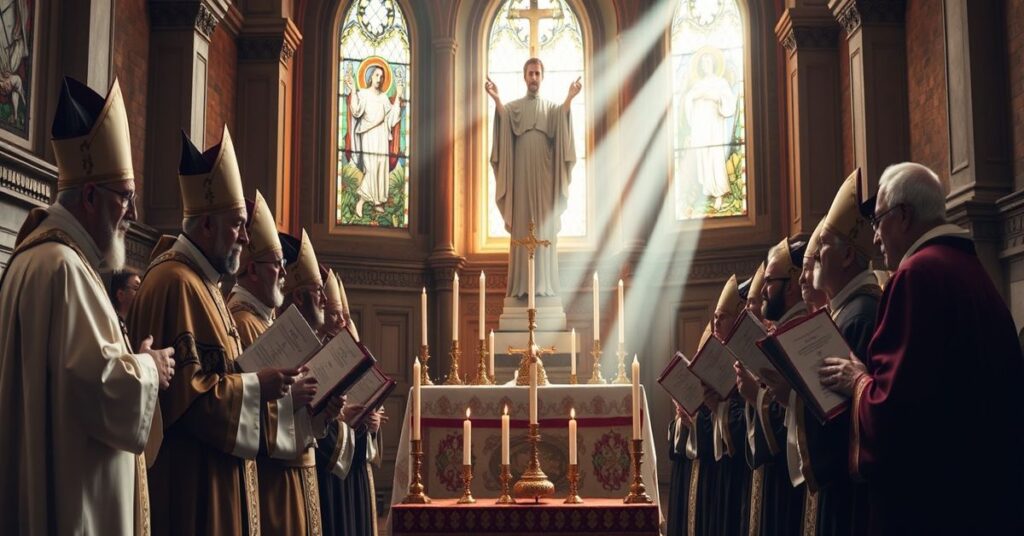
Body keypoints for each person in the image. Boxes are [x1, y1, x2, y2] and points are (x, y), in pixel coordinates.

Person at [0, 76, 174, 536]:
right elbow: (99, 388)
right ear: (92, 196)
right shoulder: (64, 270)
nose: (132, 214)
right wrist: (151, 366)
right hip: (72, 501)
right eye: (125, 198)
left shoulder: (35, 260)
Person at [820, 162, 1024, 534]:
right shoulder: (969, 268)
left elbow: (894, 412)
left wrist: (857, 381)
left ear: (903, 216)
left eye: (878, 221)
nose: (875, 238)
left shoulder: (916, 276)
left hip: (935, 505)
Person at [127, 126, 300, 536]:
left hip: (215, 482)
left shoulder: (202, 284)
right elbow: (190, 401)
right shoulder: (176, 283)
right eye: (237, 224)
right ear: (206, 225)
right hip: (193, 491)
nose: (244, 236)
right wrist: (258, 386)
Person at [227, 194, 335, 536]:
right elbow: (238, 407)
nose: (284, 274)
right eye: (276, 264)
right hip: (271, 475)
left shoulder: (266, 323)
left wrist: (320, 408)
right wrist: (294, 399)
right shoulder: (243, 322)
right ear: (252, 269)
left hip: (294, 466)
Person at [795, 169, 880, 535]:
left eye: (822, 249)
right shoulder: (844, 313)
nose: (812, 262)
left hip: (850, 496)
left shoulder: (859, 316)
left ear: (847, 256)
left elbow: (847, 421)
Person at [487, 57, 581, 299]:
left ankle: (544, 285)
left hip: (545, 175)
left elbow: (562, 120)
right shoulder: (514, 107)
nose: (534, 78)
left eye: (537, 74)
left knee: (544, 226)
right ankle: (521, 286)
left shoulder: (551, 109)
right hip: (520, 176)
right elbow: (504, 121)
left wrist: (569, 98)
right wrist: (497, 99)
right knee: (522, 225)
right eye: (530, 73)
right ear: (524, 76)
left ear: (542, 77)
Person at [344, 65, 405, 217]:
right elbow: (356, 110)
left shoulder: (384, 98)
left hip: (382, 136)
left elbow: (391, 119)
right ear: (370, 76)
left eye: (382, 76)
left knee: (380, 168)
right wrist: (353, 89)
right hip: (368, 135)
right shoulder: (363, 94)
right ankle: (362, 201)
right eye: (377, 75)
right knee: (370, 168)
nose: (380, 79)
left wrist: (398, 96)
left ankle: (378, 202)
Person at [683, 50, 737, 211]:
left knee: (715, 155)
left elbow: (729, 103)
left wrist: (714, 97)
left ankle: (719, 192)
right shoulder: (698, 85)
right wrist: (695, 96)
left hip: (714, 124)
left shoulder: (721, 82)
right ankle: (707, 190)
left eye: (708, 61)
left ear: (713, 63)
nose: (706, 65)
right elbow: (689, 100)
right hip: (701, 126)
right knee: (704, 156)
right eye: (703, 62)